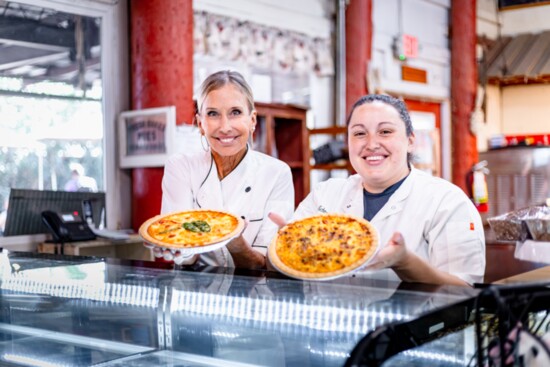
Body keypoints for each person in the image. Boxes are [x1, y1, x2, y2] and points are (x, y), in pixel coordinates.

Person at [270, 94, 485, 286]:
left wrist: (405, 263)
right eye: (360, 133)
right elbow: (286, 267)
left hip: (409, 330)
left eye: (385, 131)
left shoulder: (447, 202)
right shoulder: (325, 194)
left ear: (410, 141)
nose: (371, 144)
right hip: (327, 326)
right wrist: (291, 245)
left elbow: (464, 292)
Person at [158, 70, 294, 268]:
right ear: (200, 123)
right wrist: (175, 247)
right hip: (193, 290)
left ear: (252, 120)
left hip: (253, 294)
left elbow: (264, 264)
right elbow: (182, 253)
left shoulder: (276, 173)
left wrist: (235, 243)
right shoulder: (180, 167)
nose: (225, 127)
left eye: (235, 112)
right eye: (213, 114)